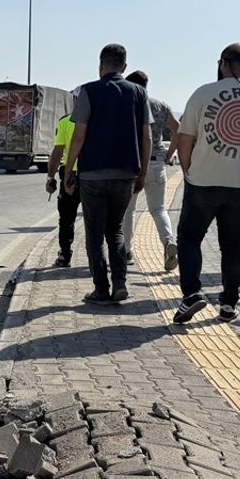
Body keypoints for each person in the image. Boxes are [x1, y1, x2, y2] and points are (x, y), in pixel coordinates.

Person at [172, 43, 240, 324]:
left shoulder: (204, 93)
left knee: (190, 238)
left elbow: (185, 137)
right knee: (232, 245)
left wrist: (188, 170)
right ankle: (229, 304)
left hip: (203, 181)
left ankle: (191, 295)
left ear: (223, 63)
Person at [63, 44, 152, 305]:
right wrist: (142, 173)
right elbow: (146, 136)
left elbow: (78, 136)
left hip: (92, 175)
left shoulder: (88, 91)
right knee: (116, 231)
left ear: (100, 65)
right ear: (124, 67)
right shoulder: (138, 93)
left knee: (94, 233)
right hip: (125, 174)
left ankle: (101, 288)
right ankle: (121, 284)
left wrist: (69, 171)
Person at [118, 70, 181, 272]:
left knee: (129, 210)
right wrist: (169, 154)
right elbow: (177, 129)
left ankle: (127, 251)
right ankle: (168, 242)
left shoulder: (129, 104)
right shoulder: (160, 106)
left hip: (134, 163)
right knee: (159, 209)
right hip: (157, 163)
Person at [46, 93, 81, 267]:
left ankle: (65, 255)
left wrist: (50, 177)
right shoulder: (97, 122)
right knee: (95, 218)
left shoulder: (65, 121)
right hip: (93, 177)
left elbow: (58, 152)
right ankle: (96, 258)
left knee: (67, 217)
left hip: (70, 176)